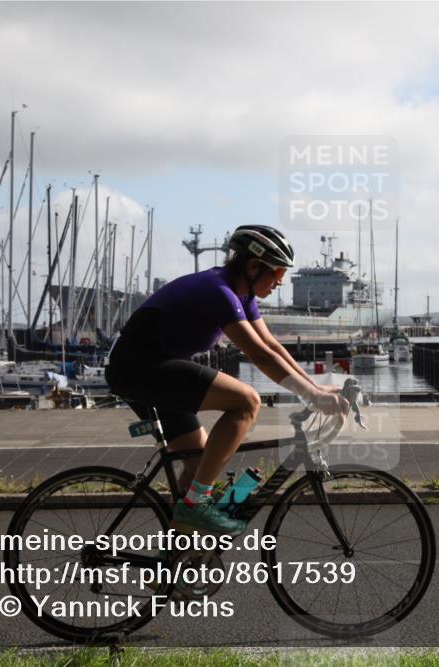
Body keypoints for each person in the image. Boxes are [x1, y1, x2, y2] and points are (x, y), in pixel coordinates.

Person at [105, 225, 349, 536]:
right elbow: (260, 357)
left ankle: (174, 563)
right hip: (141, 369)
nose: (280, 282)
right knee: (246, 402)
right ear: (252, 266)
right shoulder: (218, 292)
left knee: (200, 465)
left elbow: (272, 347)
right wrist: (312, 397)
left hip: (150, 369)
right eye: (277, 273)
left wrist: (314, 389)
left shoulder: (242, 295)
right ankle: (196, 505)